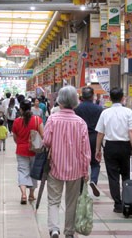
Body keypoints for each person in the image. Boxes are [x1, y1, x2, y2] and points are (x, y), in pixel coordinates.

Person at [43, 86, 91, 238]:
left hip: (55, 167)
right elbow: (85, 150)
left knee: (53, 200)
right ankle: (69, 232)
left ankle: (54, 229)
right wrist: (85, 170)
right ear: (75, 101)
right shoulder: (81, 123)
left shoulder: (52, 119)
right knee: (72, 202)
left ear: (60, 101)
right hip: (76, 169)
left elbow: (46, 141)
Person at [95, 87, 132, 213]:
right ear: (122, 98)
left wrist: (97, 150)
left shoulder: (105, 113)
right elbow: (131, 131)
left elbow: (100, 133)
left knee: (113, 176)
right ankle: (127, 201)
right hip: (125, 146)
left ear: (109, 98)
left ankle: (118, 204)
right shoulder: (128, 112)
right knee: (126, 174)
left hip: (110, 147)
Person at [12, 99, 43, 204]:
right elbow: (43, 136)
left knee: (22, 171)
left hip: (21, 150)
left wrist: (20, 144)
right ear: (31, 108)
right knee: (33, 172)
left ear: (20, 109)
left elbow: (15, 138)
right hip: (34, 150)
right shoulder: (37, 120)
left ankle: (23, 194)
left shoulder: (16, 121)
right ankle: (31, 194)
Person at [75, 86, 103, 197]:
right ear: (92, 96)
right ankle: (94, 180)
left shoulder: (77, 108)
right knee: (95, 162)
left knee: (81, 162)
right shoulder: (99, 109)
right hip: (94, 137)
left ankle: (81, 188)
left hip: (81, 137)